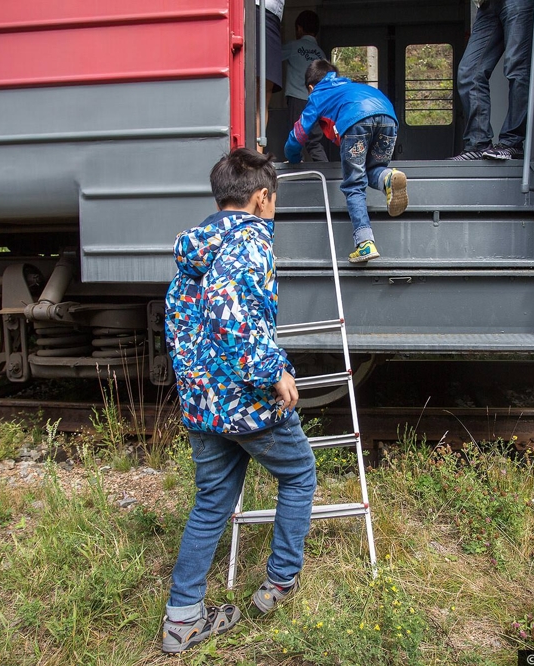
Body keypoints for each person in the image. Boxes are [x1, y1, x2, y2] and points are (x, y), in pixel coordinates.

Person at [161, 148, 316, 654]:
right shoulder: (250, 241)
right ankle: (279, 583)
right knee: (299, 475)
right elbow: (232, 313)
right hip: (245, 402)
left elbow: (184, 328)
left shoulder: (196, 249)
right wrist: (273, 372)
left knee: (211, 503)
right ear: (262, 198)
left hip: (203, 403)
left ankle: (182, 619)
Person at [285, 60, 408, 263]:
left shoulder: (318, 94)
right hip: (389, 116)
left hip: (356, 120)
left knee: (354, 184)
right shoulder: (352, 87)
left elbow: (298, 134)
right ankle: (389, 178)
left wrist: (293, 158)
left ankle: (365, 243)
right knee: (374, 169)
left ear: (310, 87)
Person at [450, 0, 534, 161]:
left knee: (516, 68)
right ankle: (477, 143)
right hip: (487, 4)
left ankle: (512, 142)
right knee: (469, 72)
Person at [281, 10, 328, 162]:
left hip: (297, 98)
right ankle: (325, 172)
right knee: (314, 141)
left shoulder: (293, 46)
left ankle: (296, 171)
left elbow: (273, 56)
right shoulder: (321, 53)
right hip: (317, 101)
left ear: (299, 28)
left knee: (296, 138)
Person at [255, 0, 285, 153]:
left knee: (264, 92)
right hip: (253, 10)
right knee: (252, 90)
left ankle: (257, 154)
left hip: (272, 17)